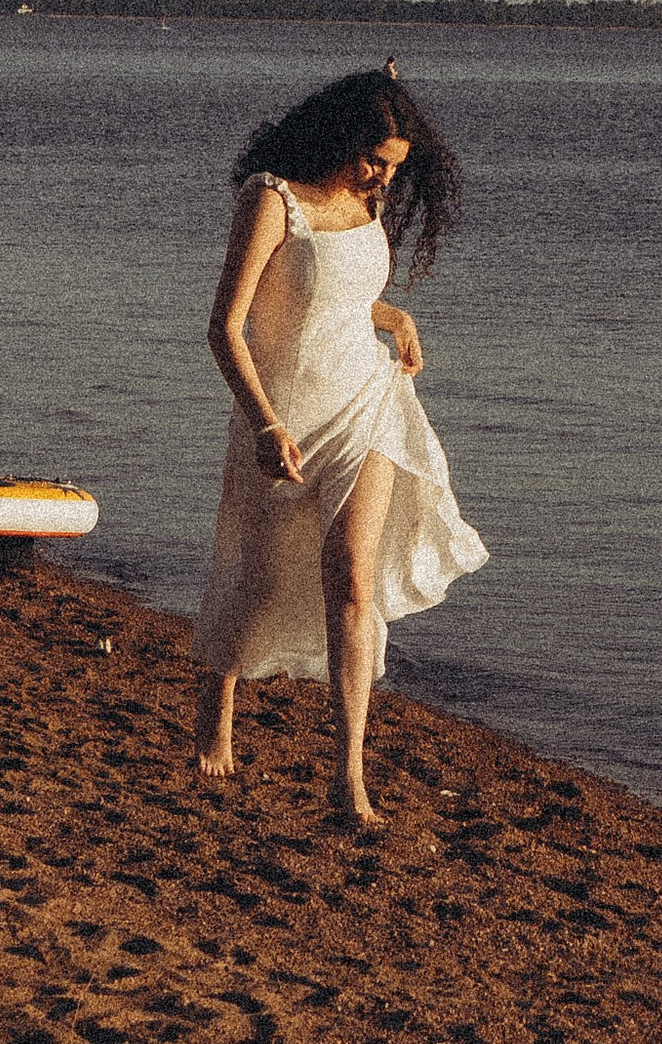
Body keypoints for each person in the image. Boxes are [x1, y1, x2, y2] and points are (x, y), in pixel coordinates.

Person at [192, 65, 486, 819]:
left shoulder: (368, 200)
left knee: (352, 581)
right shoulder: (272, 198)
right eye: (373, 161)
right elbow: (227, 325)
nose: (383, 178)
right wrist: (265, 423)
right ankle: (217, 708)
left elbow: (343, 296)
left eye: (393, 167)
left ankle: (348, 775)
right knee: (258, 576)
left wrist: (394, 319)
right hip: (281, 414)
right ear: (340, 137)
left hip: (364, 403)